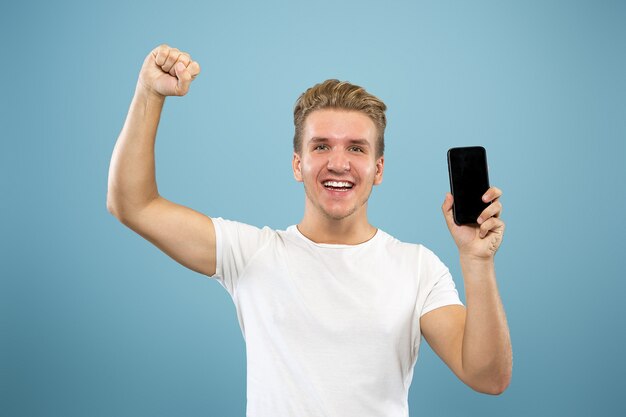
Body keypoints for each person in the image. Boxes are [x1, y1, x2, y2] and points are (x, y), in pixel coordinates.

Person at [107, 44, 512, 417]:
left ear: (379, 169)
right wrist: (149, 92)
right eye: (321, 146)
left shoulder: (418, 268)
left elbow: (488, 377)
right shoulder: (250, 254)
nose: (339, 163)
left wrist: (476, 261)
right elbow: (133, 204)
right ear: (297, 164)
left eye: (356, 147)